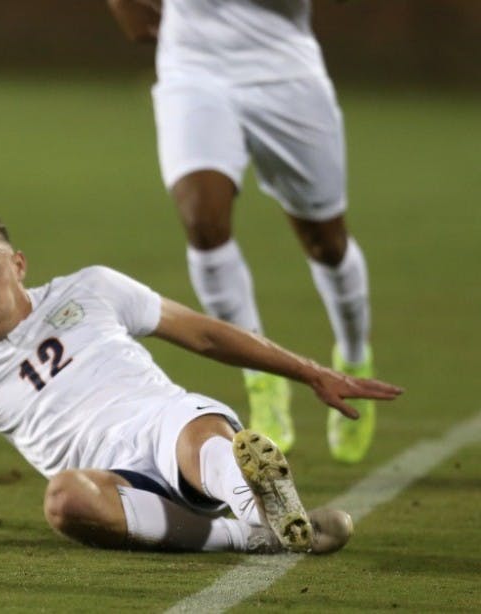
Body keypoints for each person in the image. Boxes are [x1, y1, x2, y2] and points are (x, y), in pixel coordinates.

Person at [0, 213, 402, 554]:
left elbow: (202, 334)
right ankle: (264, 531)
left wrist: (311, 372)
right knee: (63, 502)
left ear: (18, 265)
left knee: (204, 438)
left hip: (164, 424)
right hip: (115, 486)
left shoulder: (89, 289)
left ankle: (256, 496)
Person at [105, 0, 376, 463]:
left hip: (284, 74)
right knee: (203, 224)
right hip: (193, 70)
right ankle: (262, 377)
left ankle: (353, 356)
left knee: (325, 242)